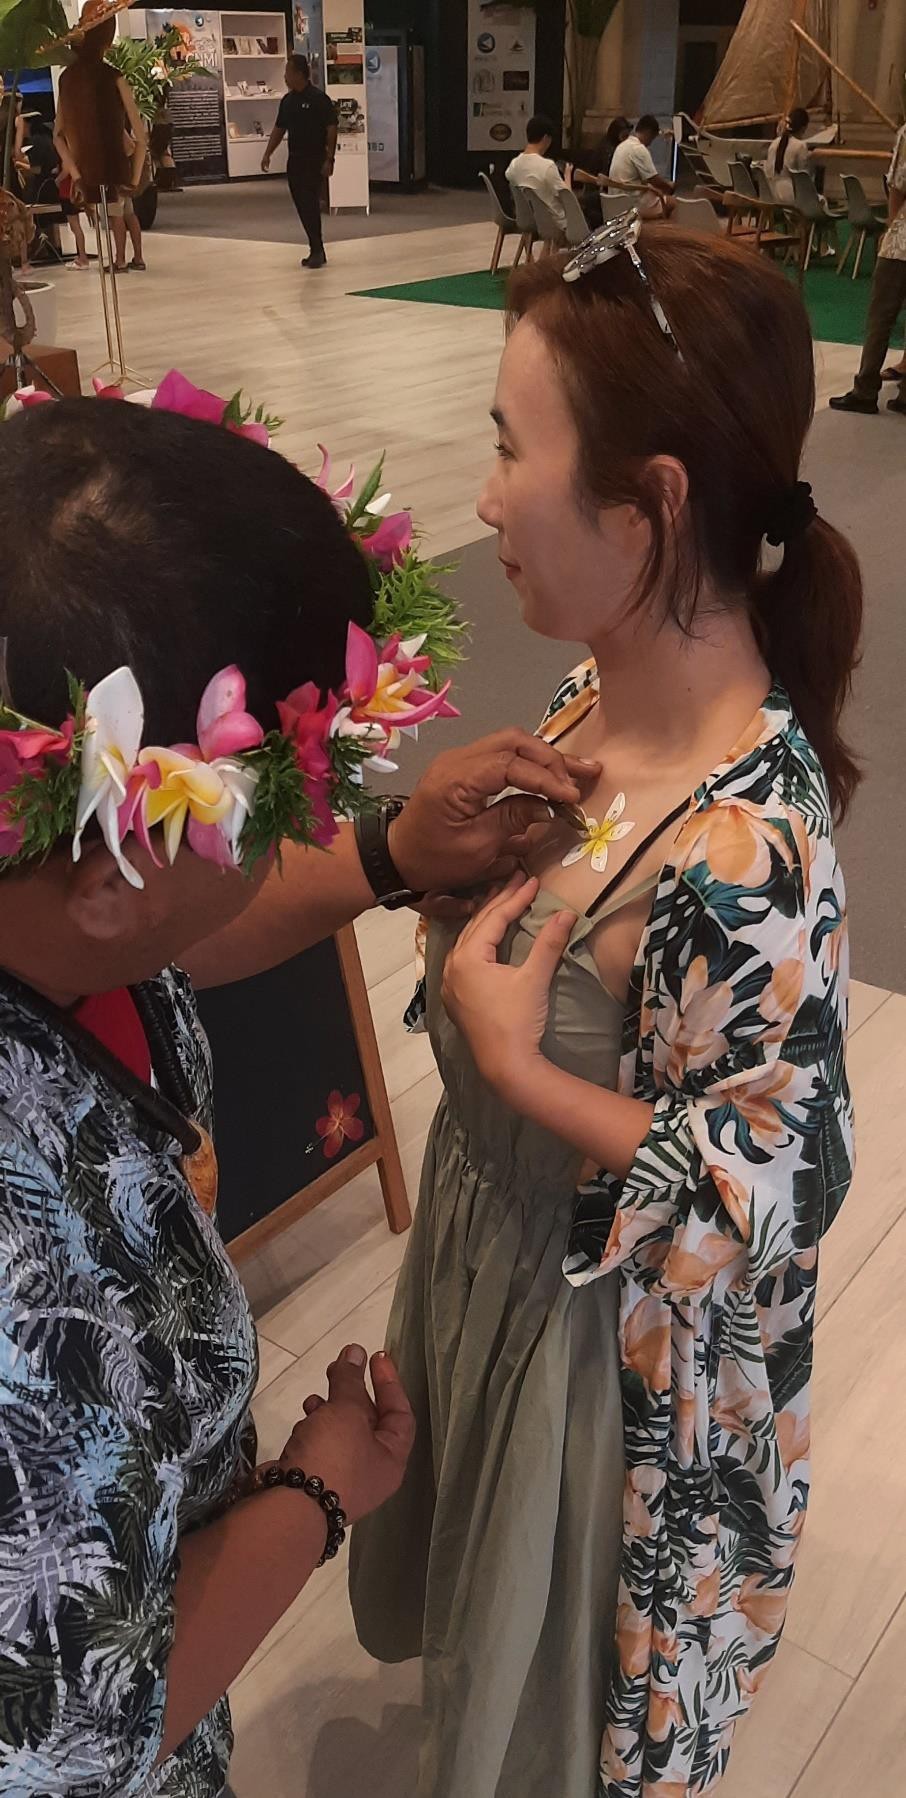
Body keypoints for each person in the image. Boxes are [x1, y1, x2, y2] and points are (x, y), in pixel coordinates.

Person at [0, 393, 596, 1794]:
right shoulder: (23, 1290)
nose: (312, 826)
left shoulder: (54, 906)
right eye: (265, 808)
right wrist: (314, 1493)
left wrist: (394, 851)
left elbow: (163, 942)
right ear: (111, 866)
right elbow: (82, 1732)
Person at [349, 225, 860, 1797]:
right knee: (474, 1660)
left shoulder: (743, 845)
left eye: (510, 448)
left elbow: (786, 1177)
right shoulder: (586, 705)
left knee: (543, 1714)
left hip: (604, 1373)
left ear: (649, 503)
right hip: (491, 1265)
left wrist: (517, 1059)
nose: (486, 495)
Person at [53, 3, 147, 273]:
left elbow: (58, 136)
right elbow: (140, 137)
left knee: (115, 218)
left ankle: (122, 258)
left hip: (90, 174)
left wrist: (77, 174)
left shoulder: (68, 79)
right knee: (118, 215)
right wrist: (133, 178)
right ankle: (123, 257)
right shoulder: (112, 77)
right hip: (115, 171)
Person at [830, 109, 906, 416]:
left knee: (881, 317)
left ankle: (865, 390)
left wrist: (891, 228)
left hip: (902, 245)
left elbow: (898, 185)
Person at [262, 53, 337, 270]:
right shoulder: (288, 101)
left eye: (287, 72)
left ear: (298, 73)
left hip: (314, 159)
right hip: (295, 160)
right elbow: (279, 128)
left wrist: (329, 158)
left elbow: (331, 128)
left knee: (310, 203)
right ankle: (316, 247)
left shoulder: (318, 99)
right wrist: (268, 153)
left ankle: (317, 249)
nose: (285, 77)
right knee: (302, 205)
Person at [506, 113, 570, 237]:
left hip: (529, 220)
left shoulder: (513, 165)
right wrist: (567, 175)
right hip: (555, 222)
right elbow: (567, 198)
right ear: (546, 138)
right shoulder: (547, 166)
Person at [608, 113, 675, 216]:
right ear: (648, 133)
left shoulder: (622, 145)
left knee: (655, 194)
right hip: (632, 203)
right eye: (652, 138)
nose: (651, 143)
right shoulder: (639, 149)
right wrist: (669, 187)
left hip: (615, 199)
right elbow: (654, 180)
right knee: (673, 202)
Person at [572, 115, 632, 225]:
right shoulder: (609, 150)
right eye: (624, 136)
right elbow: (607, 176)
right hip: (598, 193)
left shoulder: (606, 144)